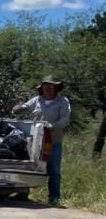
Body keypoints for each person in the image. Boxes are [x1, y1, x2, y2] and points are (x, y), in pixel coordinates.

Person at [13, 76, 71, 206]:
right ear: (42, 87)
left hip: (52, 141)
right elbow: (24, 108)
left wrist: (52, 126)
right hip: (33, 141)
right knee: (28, 166)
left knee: (54, 169)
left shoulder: (63, 101)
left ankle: (54, 198)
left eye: (51, 85)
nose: (48, 87)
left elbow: (65, 119)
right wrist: (18, 109)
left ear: (56, 87)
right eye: (46, 85)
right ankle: (22, 193)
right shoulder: (36, 100)